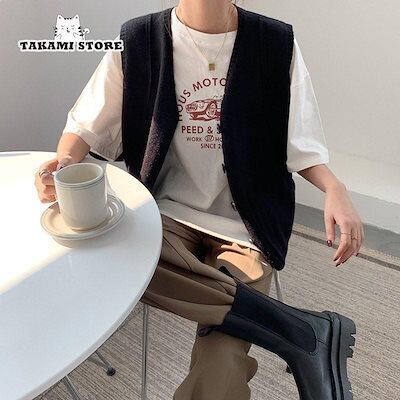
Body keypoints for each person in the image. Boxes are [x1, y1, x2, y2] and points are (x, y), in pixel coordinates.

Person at [34, 1, 364, 399]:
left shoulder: (275, 43)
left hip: (246, 226)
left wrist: (335, 188)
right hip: (165, 217)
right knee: (104, 253)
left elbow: (302, 143)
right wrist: (65, 162)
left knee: (220, 363)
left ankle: (299, 332)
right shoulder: (138, 41)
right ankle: (297, 330)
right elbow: (85, 125)